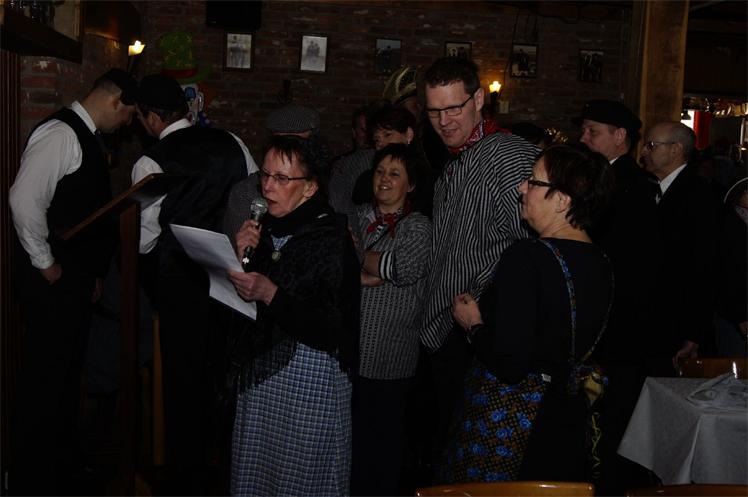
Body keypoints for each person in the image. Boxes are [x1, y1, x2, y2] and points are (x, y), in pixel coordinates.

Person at [444, 143, 614, 483]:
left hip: (513, 426)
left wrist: (473, 324)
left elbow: (509, 362)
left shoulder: (526, 257)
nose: (522, 187)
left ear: (562, 200)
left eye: (533, 181)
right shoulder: (603, 262)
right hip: (567, 422)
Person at [8, 68, 137, 494]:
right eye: (128, 114)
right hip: (50, 279)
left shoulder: (85, 136)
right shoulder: (61, 134)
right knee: (45, 379)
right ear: (115, 101)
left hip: (72, 277)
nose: (128, 124)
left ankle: (61, 468)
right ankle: (32, 479)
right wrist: (46, 263)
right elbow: (23, 201)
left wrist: (90, 276)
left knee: (65, 377)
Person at [131, 73, 255, 493]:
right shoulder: (232, 142)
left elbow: (144, 236)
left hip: (180, 281)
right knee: (223, 370)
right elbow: (254, 198)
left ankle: (186, 474)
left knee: (182, 378)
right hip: (230, 275)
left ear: (151, 118)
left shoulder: (151, 161)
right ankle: (226, 464)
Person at [418, 57, 538, 461]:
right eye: (434, 111)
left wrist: (484, 317)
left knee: (473, 457)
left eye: (454, 107)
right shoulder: (457, 158)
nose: (444, 121)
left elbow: (532, 247)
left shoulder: (508, 155)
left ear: (479, 99)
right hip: (448, 329)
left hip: (477, 334)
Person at [227, 135, 360, 496]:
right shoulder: (267, 229)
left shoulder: (330, 239)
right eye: (265, 175)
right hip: (265, 374)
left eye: (281, 178)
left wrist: (271, 294)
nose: (267, 187)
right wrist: (242, 256)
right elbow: (250, 300)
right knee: (260, 469)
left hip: (310, 377)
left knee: (301, 476)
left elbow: (332, 330)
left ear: (310, 187)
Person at [574, 99, 661, 494]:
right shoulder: (604, 178)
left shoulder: (630, 185)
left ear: (620, 136)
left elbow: (626, 263)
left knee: (613, 422)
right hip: (608, 321)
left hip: (621, 324)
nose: (583, 138)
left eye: (593, 132)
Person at [349, 144, 432, 496]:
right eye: (380, 171)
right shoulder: (354, 216)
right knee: (347, 444)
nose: (384, 179)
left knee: (380, 448)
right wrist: (364, 269)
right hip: (349, 352)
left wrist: (356, 257)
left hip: (390, 357)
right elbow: (333, 263)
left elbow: (402, 267)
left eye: (395, 174)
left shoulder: (418, 226)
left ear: (410, 185)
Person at [639, 121, 721, 369]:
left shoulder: (698, 196)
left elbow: (704, 267)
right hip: (649, 320)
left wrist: (693, 333)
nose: (643, 151)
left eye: (651, 145)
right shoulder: (647, 189)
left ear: (676, 149)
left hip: (676, 322)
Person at [223, 103, 321, 247]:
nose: (268, 186)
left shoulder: (332, 186)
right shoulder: (246, 192)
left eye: (297, 146)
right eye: (281, 145)